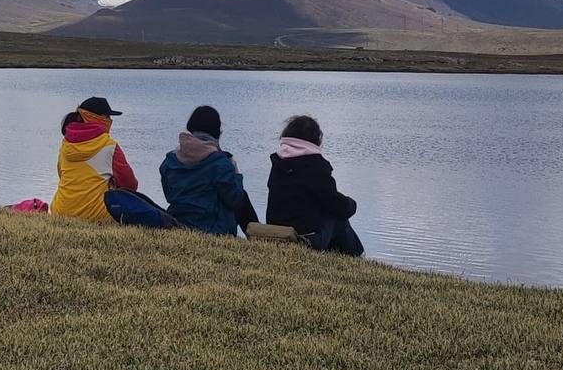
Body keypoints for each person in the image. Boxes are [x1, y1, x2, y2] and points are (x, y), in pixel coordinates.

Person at [52, 94, 174, 228]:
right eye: (107, 117)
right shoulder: (109, 146)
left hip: (60, 211)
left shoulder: (65, 144)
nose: (110, 120)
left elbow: (62, 175)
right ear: (98, 118)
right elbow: (130, 184)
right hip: (97, 216)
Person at [266, 114, 364, 255]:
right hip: (305, 238)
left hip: (276, 232)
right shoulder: (316, 166)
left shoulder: (278, 162)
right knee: (338, 218)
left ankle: (341, 254)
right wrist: (352, 204)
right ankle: (357, 255)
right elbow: (335, 203)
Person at [159, 104, 259, 237]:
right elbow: (235, 200)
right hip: (214, 230)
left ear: (190, 128)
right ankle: (258, 235)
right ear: (218, 133)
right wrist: (237, 175)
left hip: (177, 225)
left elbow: (169, 196)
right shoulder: (221, 164)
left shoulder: (169, 161)